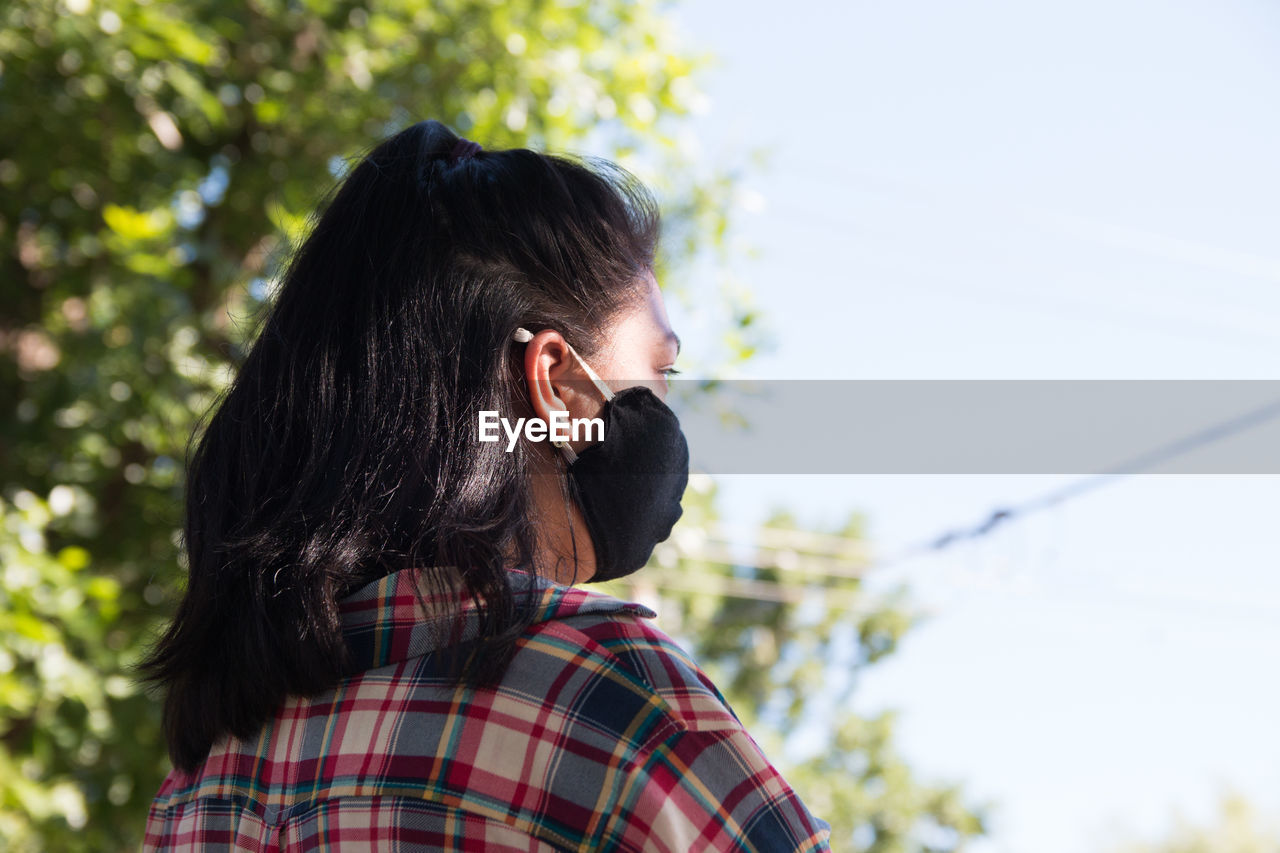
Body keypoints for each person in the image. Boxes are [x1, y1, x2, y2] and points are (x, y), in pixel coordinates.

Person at [139, 119, 832, 851]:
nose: (667, 409)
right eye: (662, 370)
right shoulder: (616, 707)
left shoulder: (201, 786)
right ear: (557, 385)